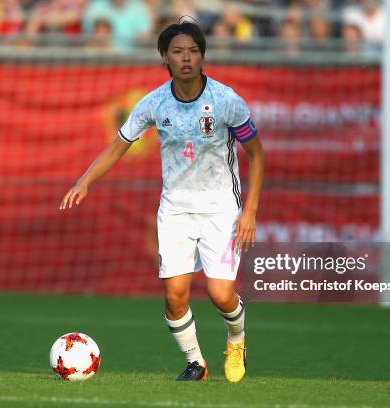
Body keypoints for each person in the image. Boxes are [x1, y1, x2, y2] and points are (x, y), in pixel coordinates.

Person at [60, 20, 264, 382]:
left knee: (220, 295)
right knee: (174, 297)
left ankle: (237, 339)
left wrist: (249, 210)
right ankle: (196, 364)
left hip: (221, 208)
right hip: (175, 209)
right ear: (165, 58)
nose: (186, 58)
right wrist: (85, 180)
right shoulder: (153, 103)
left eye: (193, 51)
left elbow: (257, 155)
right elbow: (119, 145)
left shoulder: (226, 101)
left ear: (203, 56)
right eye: (178, 52)